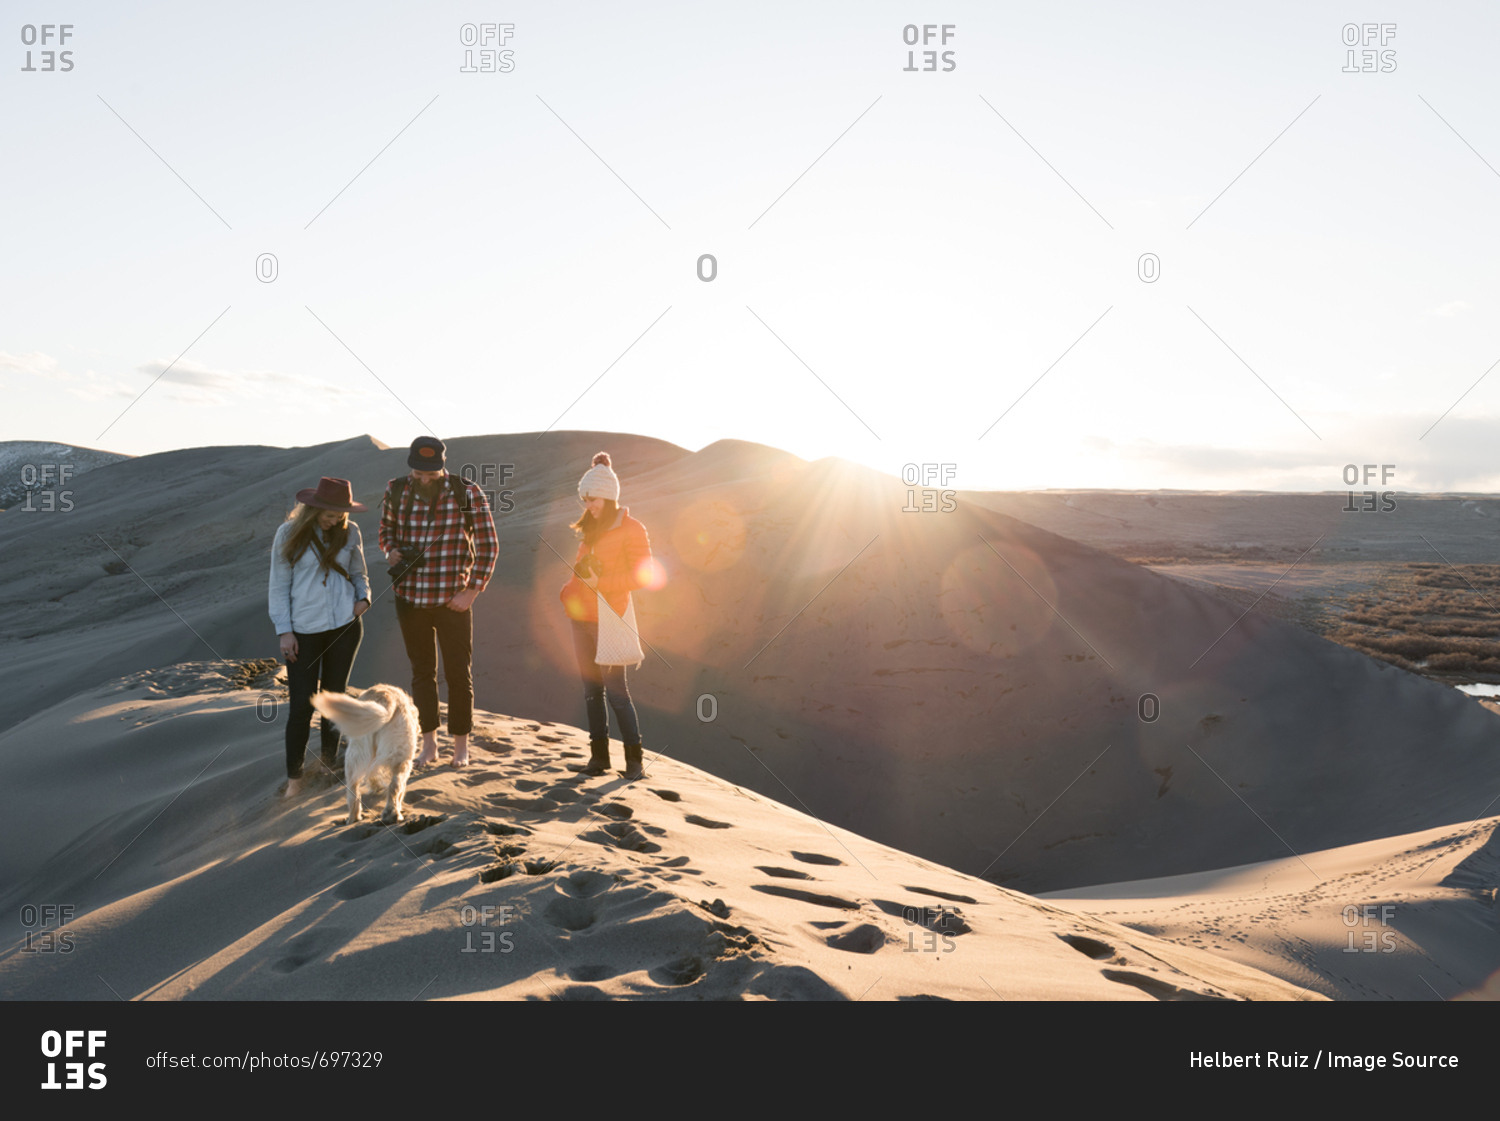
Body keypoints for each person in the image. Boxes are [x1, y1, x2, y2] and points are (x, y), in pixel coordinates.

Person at [380, 436, 498, 768]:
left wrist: (472, 591)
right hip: (410, 598)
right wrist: (390, 551)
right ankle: (429, 744)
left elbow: (489, 546)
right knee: (422, 674)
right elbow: (385, 529)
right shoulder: (396, 489)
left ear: (442, 467)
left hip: (453, 601)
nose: (424, 479)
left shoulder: (467, 492)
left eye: (430, 474)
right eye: (418, 473)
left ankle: (461, 747)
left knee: (459, 674)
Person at [269, 477, 371, 798]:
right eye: (328, 512)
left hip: (344, 625)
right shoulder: (289, 533)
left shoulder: (351, 532)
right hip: (303, 631)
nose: (334, 518)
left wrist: (364, 599)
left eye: (340, 513)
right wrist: (284, 631)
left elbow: (359, 573)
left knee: (334, 699)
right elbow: (278, 586)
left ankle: (328, 765)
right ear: (312, 508)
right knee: (301, 705)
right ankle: (295, 780)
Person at [559, 452, 654, 780]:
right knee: (590, 690)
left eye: (593, 499)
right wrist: (568, 591)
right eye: (584, 499)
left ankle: (635, 762)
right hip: (581, 618)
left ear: (609, 496)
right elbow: (579, 570)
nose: (588, 505)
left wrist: (603, 584)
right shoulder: (590, 528)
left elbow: (643, 576)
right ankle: (599, 759)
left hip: (611, 619)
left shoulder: (633, 529)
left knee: (616, 691)